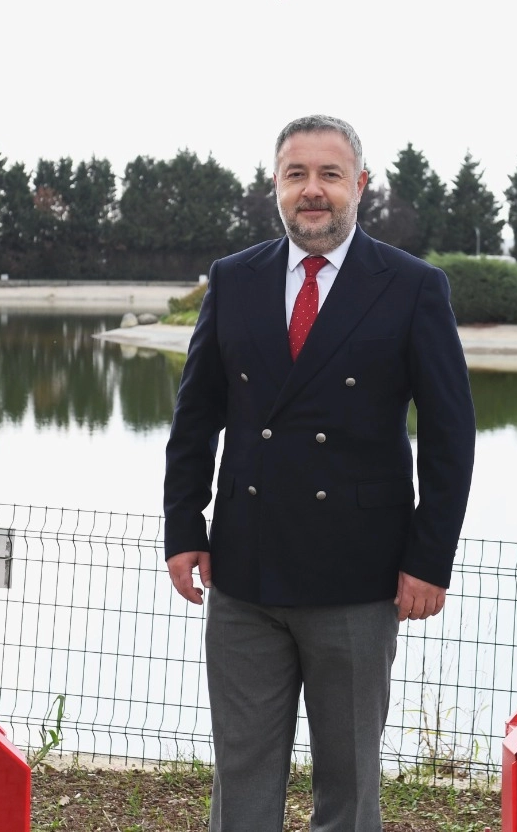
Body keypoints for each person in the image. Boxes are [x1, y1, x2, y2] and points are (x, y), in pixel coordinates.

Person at [163, 114, 475, 832]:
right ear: (274, 186)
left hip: (358, 578)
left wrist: (430, 559)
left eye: (329, 175)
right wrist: (184, 526)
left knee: (349, 782)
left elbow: (450, 437)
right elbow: (195, 417)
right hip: (244, 573)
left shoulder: (412, 287)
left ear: (360, 185)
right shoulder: (233, 279)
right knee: (241, 777)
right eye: (296, 175)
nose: (312, 190)